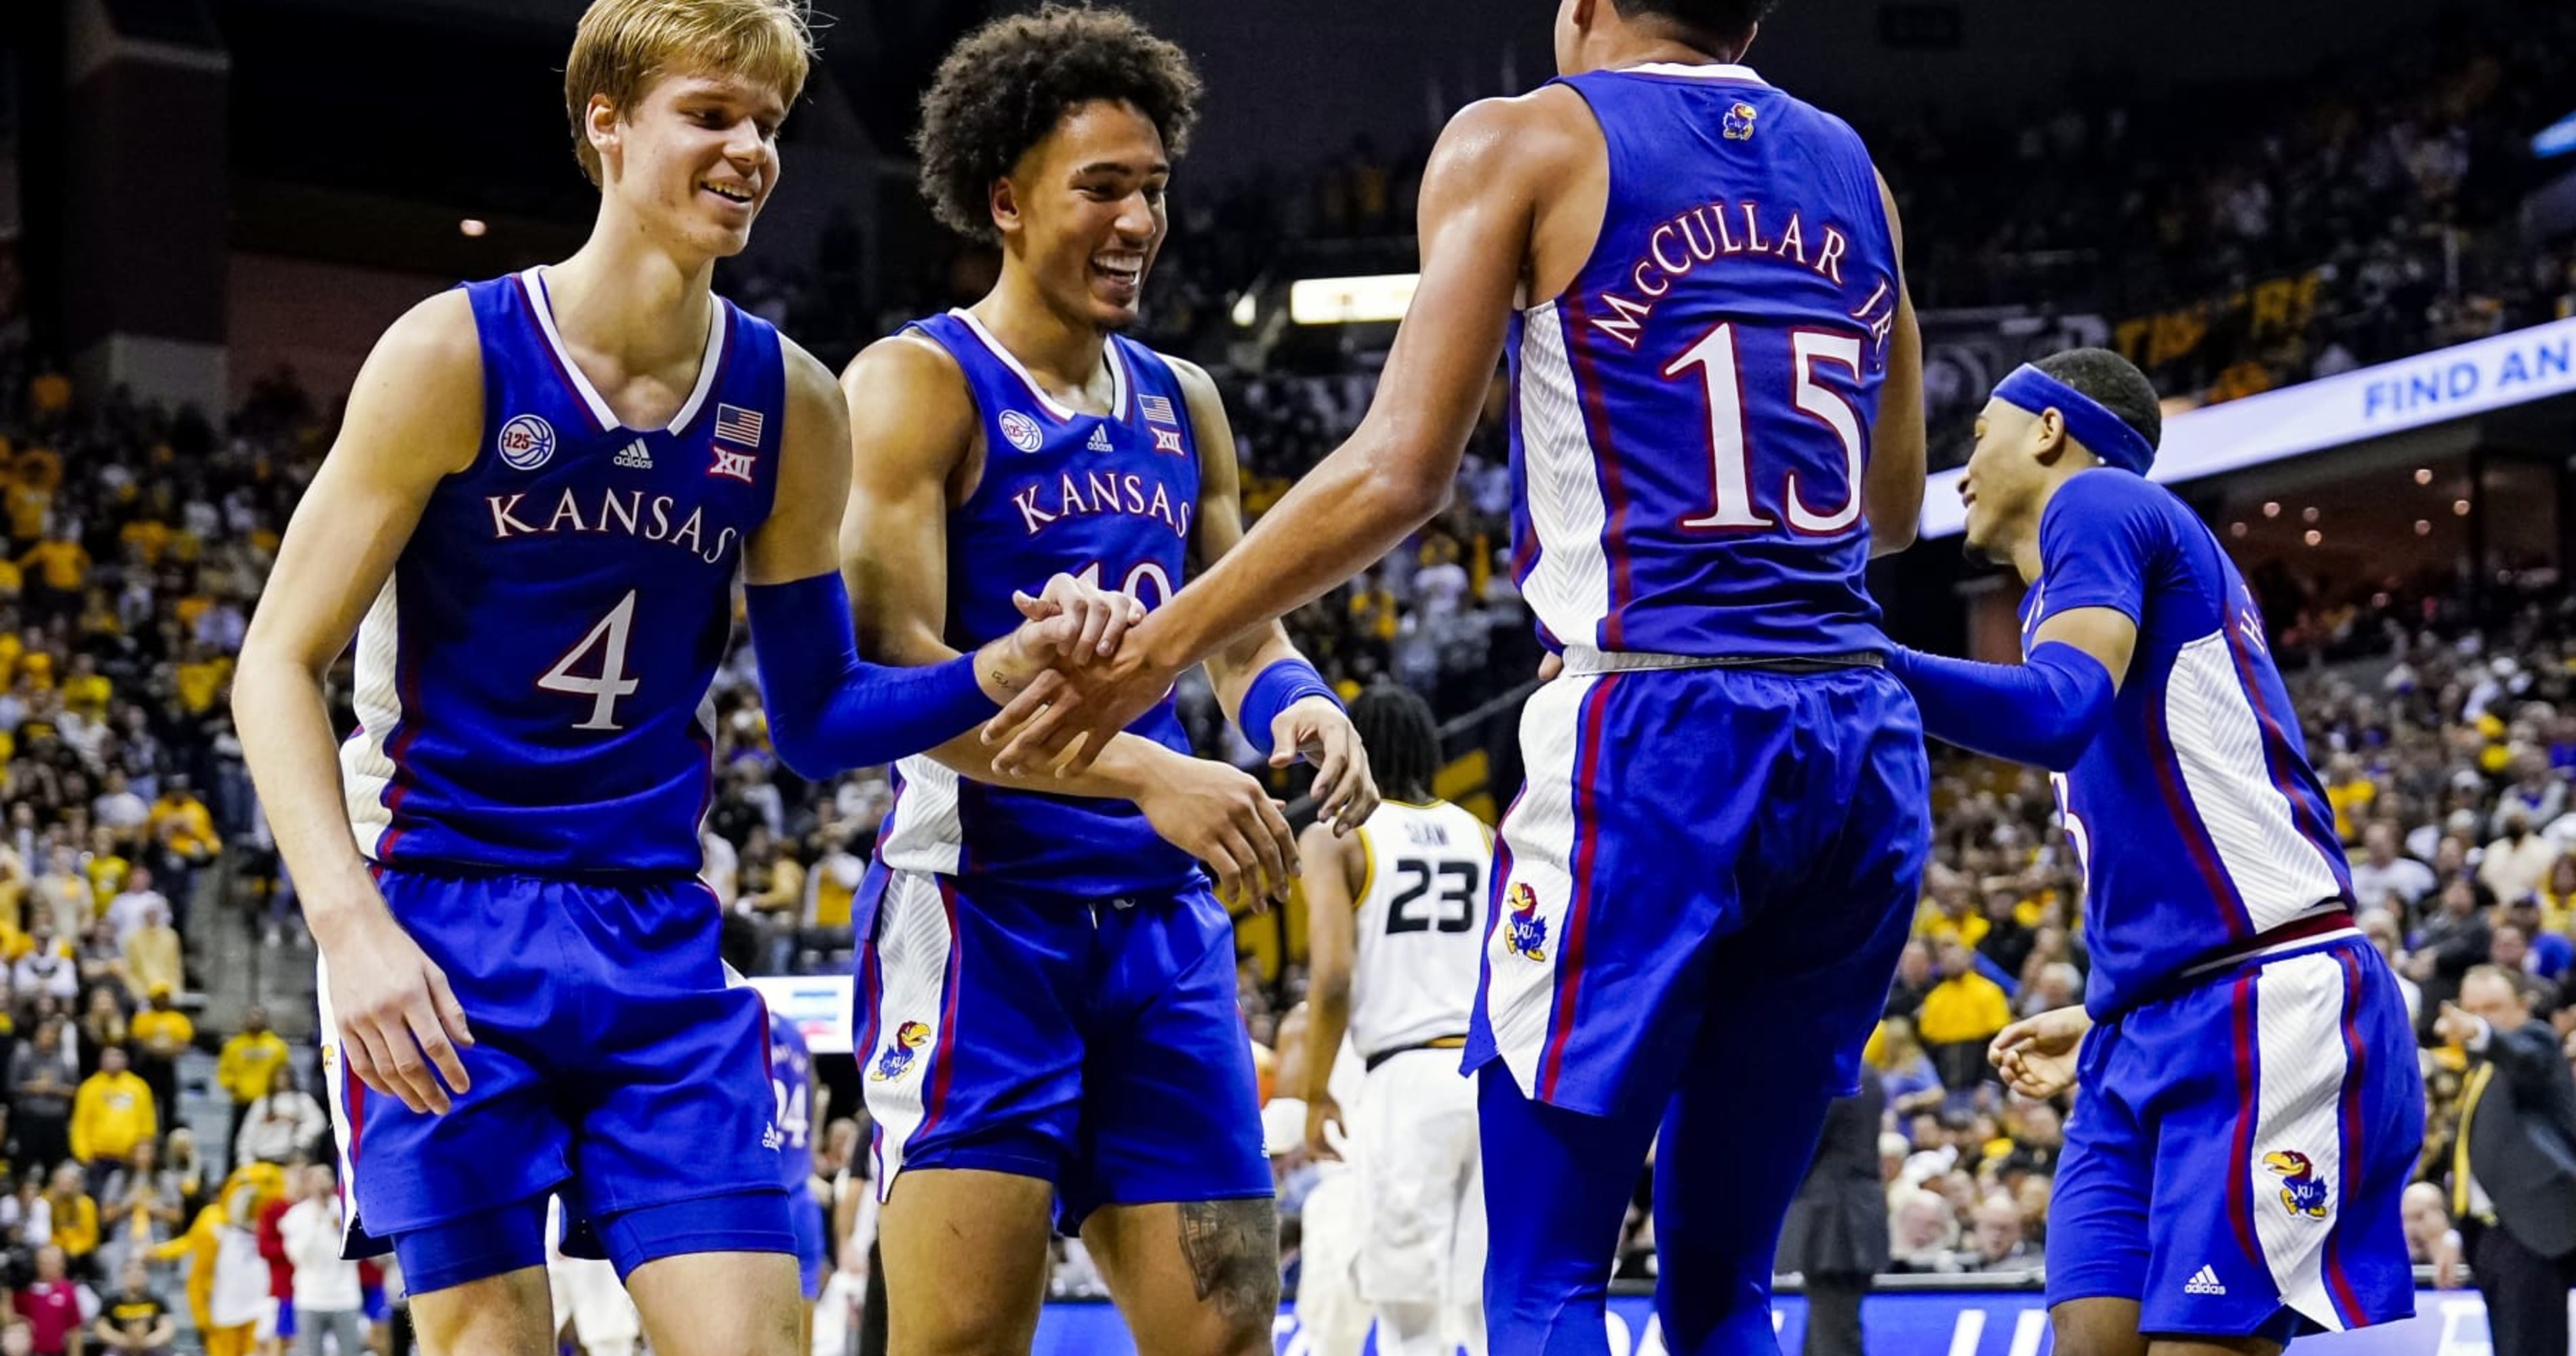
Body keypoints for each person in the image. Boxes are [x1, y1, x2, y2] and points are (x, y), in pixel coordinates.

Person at [978, 3, 1930, 1351]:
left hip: (1656, 725)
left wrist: (1161, 643)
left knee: (1541, 1281)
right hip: (1857, 740)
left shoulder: (1528, 138)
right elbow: (1891, 506)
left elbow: (1398, 471)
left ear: (1585, 7)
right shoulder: (1853, 170)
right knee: (1723, 1289)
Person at [227, 1, 1134, 1352]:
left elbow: (821, 723)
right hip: (439, 917)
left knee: (759, 1338)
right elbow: (274, 665)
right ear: (604, 121)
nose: (752, 150)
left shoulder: (789, 400)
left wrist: (988, 671)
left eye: (768, 123)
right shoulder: (452, 354)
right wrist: (349, 930)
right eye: (712, 113)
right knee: (491, 1340)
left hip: (655, 928)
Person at [835, 10, 1375, 1355]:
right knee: (962, 1340)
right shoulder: (915, 384)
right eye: (1103, 189)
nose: (1140, 219)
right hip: (980, 919)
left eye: (1154, 188)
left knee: (1230, 1336)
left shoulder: (1182, 399)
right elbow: (888, 673)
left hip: (1156, 930)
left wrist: (1299, 702)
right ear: (1007, 202)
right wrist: (1143, 767)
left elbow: (1240, 628)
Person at [1888, 348, 2423, 1352]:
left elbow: (2057, 713)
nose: (1959, 472)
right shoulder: (2084, 594)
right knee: (2091, 1338)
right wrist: (2106, 1007)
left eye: (1977, 437)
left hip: (2261, 999)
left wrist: (1853, 655)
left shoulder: (2095, 501)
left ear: (2050, 430)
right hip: (2152, 1021)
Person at [1297, 687, 1488, 1356]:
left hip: (1404, 1081)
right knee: (1486, 1314)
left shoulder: (1333, 837)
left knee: (1412, 1323)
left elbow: (1333, 976)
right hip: (1487, 1081)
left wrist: (1317, 1091)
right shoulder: (1481, 835)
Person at [2429, 967, 2576, 1356]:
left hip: (2532, 1229)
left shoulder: (2537, 1041)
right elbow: (2470, 1157)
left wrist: (2480, 1031)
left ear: (2522, 1006)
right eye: (2471, 1008)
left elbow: (2523, 1056)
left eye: (2492, 1007)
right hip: (2490, 1234)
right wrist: (2455, 1231)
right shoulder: (2478, 1070)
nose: (2479, 1016)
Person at [1777, 1075, 1887, 1356]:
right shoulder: (1869, 1073)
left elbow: (1803, 1143)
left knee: (1833, 1335)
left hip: (1833, 1222)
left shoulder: (1834, 1071)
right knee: (1827, 1328)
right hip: (1855, 1215)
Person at [764, 1008, 826, 1348]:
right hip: (801, 1195)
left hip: (757, 1203)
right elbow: (816, 1091)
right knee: (804, 1344)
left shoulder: (731, 1016)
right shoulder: (791, 1031)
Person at [281, 1165, 365, 1356]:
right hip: (310, 1298)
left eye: (325, 1177)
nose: (321, 1183)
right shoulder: (296, 1216)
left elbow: (357, 1252)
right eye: (316, 1179)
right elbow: (297, 1256)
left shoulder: (348, 1209)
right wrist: (317, 1220)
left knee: (351, 1351)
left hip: (345, 1296)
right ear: (307, 1184)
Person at [70, 1045, 156, 1195]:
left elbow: (147, 1124)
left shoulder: (138, 1087)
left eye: (118, 1056)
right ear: (101, 1060)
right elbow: (79, 1125)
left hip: (129, 1159)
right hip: (98, 1159)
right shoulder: (89, 1088)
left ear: (125, 1060)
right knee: (100, 1199)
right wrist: (83, 1155)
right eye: (109, 1056)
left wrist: (143, 1153)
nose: (114, 1060)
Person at [214, 1009, 287, 1153]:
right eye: (250, 1018)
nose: (254, 1021)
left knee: (267, 1141)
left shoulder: (278, 1046)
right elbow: (224, 1071)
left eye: (258, 1017)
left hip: (268, 1102)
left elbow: (283, 1071)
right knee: (237, 1140)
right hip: (242, 1101)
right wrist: (234, 1086)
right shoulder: (233, 1046)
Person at [232, 1065, 325, 1168]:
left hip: (291, 1161)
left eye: (284, 1075)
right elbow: (247, 1133)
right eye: (278, 1076)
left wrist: (301, 1140)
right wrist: (246, 1162)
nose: (281, 1080)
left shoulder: (302, 1100)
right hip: (263, 1161)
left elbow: (318, 1122)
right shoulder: (262, 1103)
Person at [93, 1258, 177, 1356]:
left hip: (152, 1348)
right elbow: (101, 1329)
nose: (135, 1274)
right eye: (130, 1271)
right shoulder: (111, 1302)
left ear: (147, 1275)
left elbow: (167, 1329)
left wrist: (146, 1342)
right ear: (123, 1276)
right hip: (119, 1348)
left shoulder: (157, 1300)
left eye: (140, 1270)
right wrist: (125, 1342)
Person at [13, 1247, 84, 1356]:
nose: (46, 1267)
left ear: (62, 1264)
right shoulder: (24, 1290)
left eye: (51, 1263)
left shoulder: (67, 1291)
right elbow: (11, 1320)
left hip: (55, 1352)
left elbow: (74, 1331)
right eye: (43, 1263)